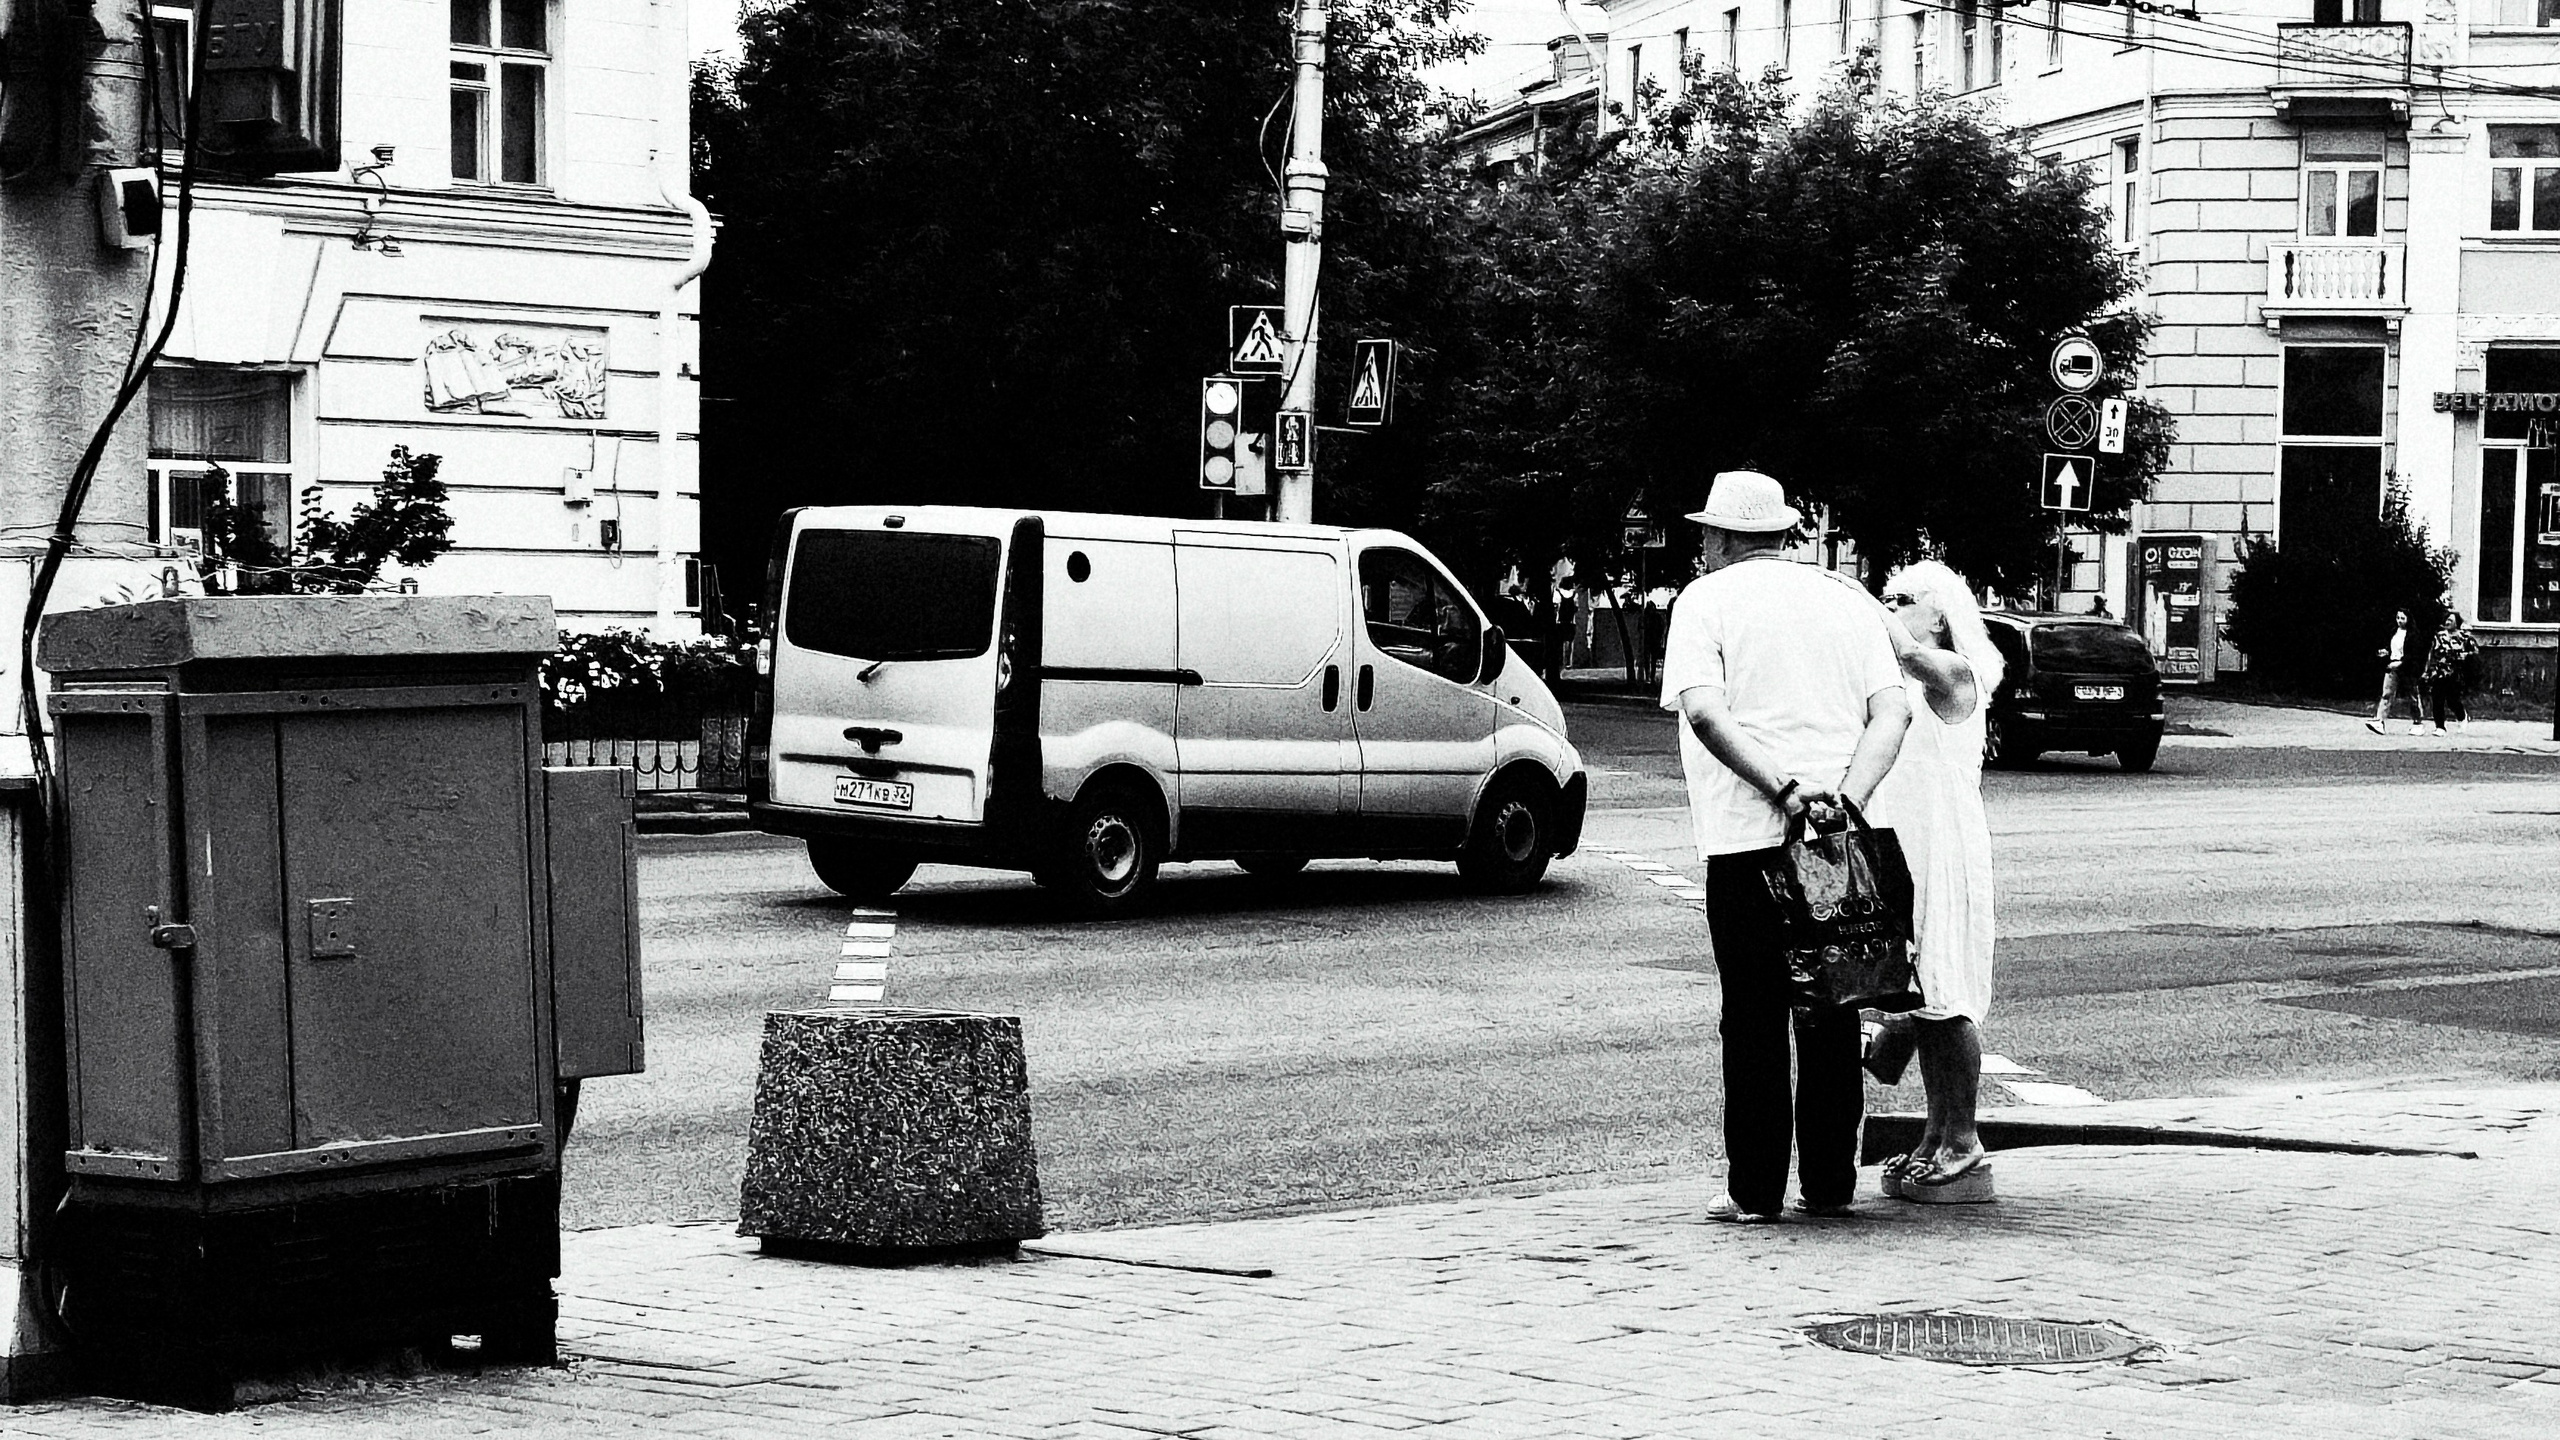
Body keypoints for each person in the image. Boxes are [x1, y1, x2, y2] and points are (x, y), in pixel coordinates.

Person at [1660, 471, 1911, 1223]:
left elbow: (1706, 714)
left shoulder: (1703, 601)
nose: (1701, 546)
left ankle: (1755, 1190)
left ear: (1729, 539)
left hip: (1747, 839)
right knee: (1836, 1006)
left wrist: (1785, 791)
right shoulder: (1847, 599)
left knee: (1754, 1015)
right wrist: (1846, 802)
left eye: (1706, 534)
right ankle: (1831, 1184)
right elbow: (1893, 712)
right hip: (1839, 846)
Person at [1864, 561, 2003, 1206]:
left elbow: (1922, 661)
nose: (1889, 607)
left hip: (1943, 851)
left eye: (1903, 599)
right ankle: (1934, 1135)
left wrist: (1863, 611)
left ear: (1940, 613)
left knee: (1947, 994)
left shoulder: (1958, 676)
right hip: (1906, 849)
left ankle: (1964, 1141)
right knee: (1923, 994)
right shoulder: (1895, 683)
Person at [2368, 610, 2428, 736]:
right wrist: (2386, 652)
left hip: (2408, 668)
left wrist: (2401, 663)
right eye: (2398, 618)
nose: (2399, 621)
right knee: (2387, 693)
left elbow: (2413, 654)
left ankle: (2418, 722)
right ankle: (2380, 720)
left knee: (2412, 696)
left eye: (2402, 618)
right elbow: (2392, 647)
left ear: (2408, 619)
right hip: (2392, 665)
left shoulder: (2413, 634)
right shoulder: (2393, 632)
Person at [2428, 608, 2479, 734]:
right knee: (2437, 699)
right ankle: (2440, 727)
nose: (2447, 622)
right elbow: (2432, 653)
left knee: (2452, 700)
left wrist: (2465, 655)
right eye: (2446, 620)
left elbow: (2475, 652)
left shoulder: (2464, 637)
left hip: (2455, 673)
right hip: (2439, 671)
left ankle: (2462, 716)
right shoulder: (2439, 636)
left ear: (2457, 622)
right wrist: (2429, 669)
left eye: (2450, 620)